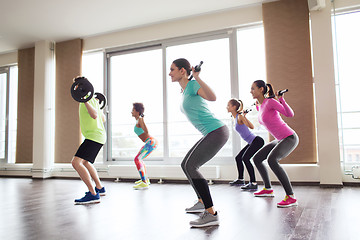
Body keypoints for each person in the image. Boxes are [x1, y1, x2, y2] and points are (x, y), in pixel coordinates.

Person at [169, 58, 229, 228]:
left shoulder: (193, 85)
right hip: (210, 132)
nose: (169, 73)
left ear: (182, 71)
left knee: (191, 166)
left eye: (172, 69)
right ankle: (202, 201)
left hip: (216, 131)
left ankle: (211, 213)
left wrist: (197, 77)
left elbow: (213, 97)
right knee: (185, 164)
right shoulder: (185, 90)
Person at [250, 80, 299, 208]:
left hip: (289, 137)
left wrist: (281, 99)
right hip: (279, 139)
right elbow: (263, 114)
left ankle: (291, 196)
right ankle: (268, 189)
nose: (251, 91)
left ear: (261, 89)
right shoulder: (260, 106)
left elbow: (289, 114)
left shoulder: (270, 102)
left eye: (253, 88)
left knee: (272, 160)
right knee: (257, 159)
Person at [71, 77, 106, 205]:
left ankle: (92, 194)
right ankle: (99, 188)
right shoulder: (94, 100)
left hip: (94, 136)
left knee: (76, 162)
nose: (76, 89)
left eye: (78, 87)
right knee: (85, 162)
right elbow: (103, 119)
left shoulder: (88, 100)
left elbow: (95, 116)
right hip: (98, 136)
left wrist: (85, 101)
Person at [227, 99, 264, 190]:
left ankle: (253, 183)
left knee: (245, 158)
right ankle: (240, 179)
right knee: (238, 158)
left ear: (234, 107)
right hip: (252, 142)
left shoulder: (240, 117)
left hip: (256, 141)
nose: (227, 107)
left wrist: (244, 117)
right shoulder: (235, 117)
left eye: (228, 105)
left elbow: (252, 127)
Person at [131, 102, 158, 190]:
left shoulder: (140, 119)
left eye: (133, 110)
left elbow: (146, 131)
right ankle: (145, 180)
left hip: (151, 142)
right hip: (150, 142)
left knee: (137, 159)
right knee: (139, 159)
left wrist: (141, 119)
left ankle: (144, 182)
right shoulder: (138, 119)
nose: (131, 112)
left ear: (137, 111)